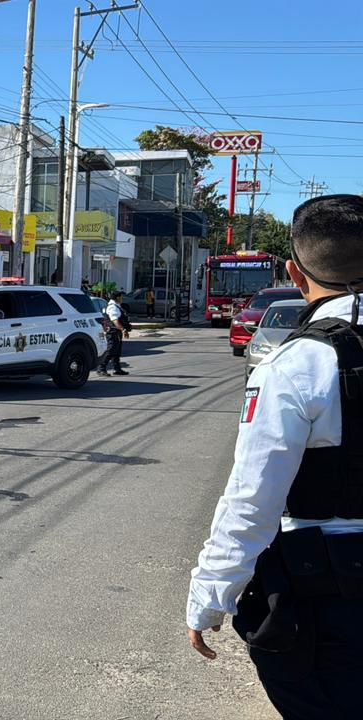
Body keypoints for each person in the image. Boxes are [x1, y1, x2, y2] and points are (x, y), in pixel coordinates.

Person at [186, 194, 363, 719]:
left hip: (328, 599)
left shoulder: (298, 364)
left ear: (294, 270)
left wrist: (211, 595)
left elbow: (253, 497)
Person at [96, 290, 129, 376]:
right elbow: (115, 321)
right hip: (113, 332)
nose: (123, 298)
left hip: (116, 332)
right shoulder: (113, 307)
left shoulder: (116, 306)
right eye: (122, 296)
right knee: (111, 350)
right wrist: (123, 329)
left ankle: (117, 369)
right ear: (117, 297)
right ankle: (101, 368)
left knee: (117, 351)